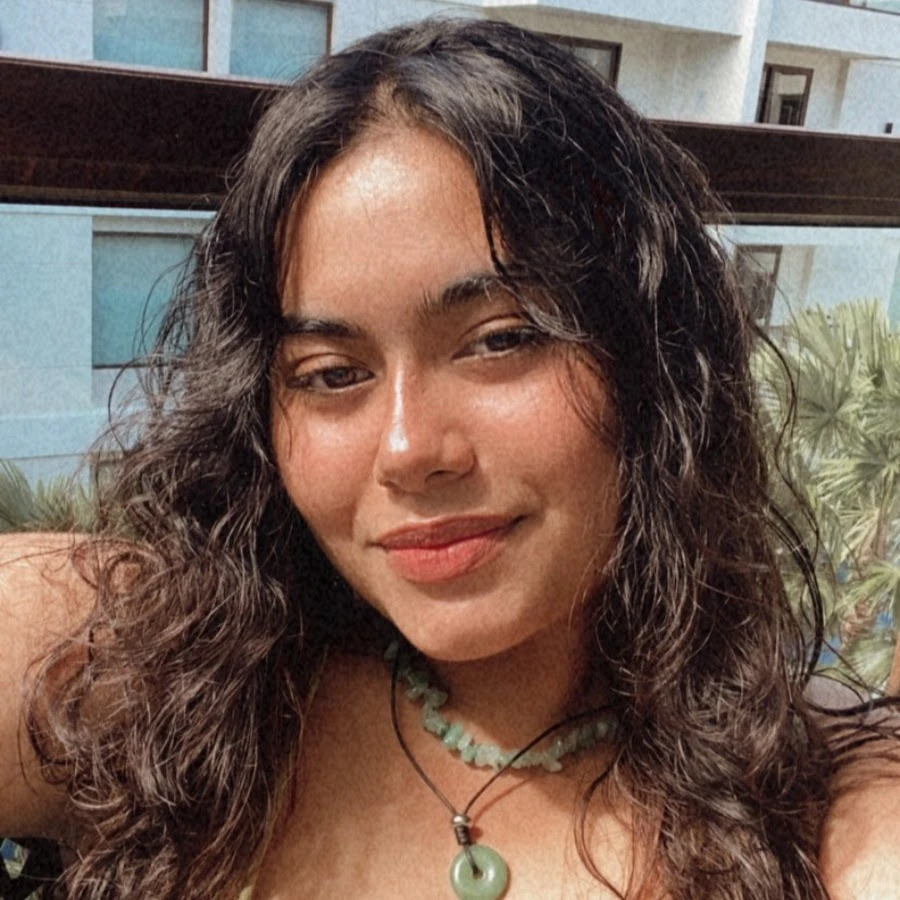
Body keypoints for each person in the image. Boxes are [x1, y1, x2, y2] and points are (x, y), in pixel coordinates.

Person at [1, 17, 898, 900]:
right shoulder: (162, 667)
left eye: (500, 339)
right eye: (331, 373)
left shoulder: (804, 812)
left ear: (651, 362)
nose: (408, 450)